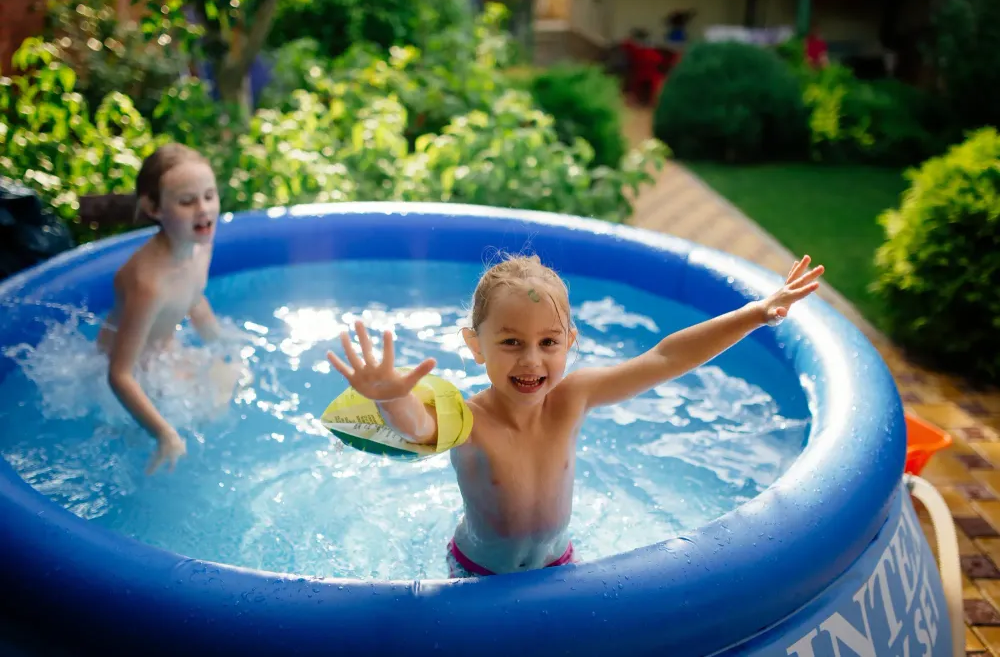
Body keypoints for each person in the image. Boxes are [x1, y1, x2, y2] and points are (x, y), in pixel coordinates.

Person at [327, 253, 824, 578]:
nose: (531, 360)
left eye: (548, 343)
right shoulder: (471, 420)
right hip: (478, 577)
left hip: (561, 565)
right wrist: (392, 398)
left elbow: (667, 359)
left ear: (571, 342)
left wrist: (758, 312)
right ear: (475, 346)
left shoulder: (573, 398)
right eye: (510, 343)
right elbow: (419, 427)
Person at [97, 143, 228, 475]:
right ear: (153, 208)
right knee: (204, 414)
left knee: (232, 382)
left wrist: (222, 343)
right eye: (187, 201)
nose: (204, 209)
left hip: (165, 351)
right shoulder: (149, 283)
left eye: (209, 196)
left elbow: (193, 297)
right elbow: (119, 374)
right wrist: (163, 433)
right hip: (135, 372)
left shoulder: (201, 245)